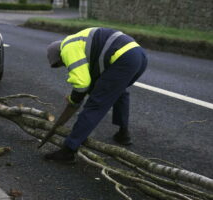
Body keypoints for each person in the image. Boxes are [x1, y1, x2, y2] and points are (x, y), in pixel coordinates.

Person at [45, 27, 147, 162]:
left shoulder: (68, 48)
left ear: (59, 54)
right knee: (119, 92)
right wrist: (76, 96)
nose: (64, 65)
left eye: (60, 63)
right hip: (139, 55)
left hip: (122, 58)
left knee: (95, 104)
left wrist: (74, 100)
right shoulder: (80, 43)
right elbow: (93, 81)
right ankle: (123, 134)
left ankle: (68, 151)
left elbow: (82, 84)